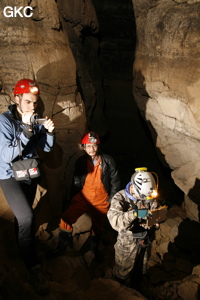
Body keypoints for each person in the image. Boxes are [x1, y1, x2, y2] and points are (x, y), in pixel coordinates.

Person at [0, 79, 55, 295]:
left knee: (24, 216)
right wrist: (26, 131)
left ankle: (21, 247)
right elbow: (5, 156)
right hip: (9, 176)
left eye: (35, 102)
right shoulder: (4, 121)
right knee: (27, 218)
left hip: (29, 174)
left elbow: (47, 148)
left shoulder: (35, 119)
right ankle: (32, 266)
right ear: (17, 99)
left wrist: (49, 131)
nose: (33, 107)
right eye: (29, 102)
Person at [51, 131, 121, 258]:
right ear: (83, 147)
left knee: (98, 226)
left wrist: (112, 199)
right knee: (66, 218)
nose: (91, 149)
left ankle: (94, 251)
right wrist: (72, 198)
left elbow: (115, 181)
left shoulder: (108, 161)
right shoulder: (81, 161)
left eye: (94, 145)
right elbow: (76, 181)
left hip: (101, 198)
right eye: (88, 146)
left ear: (98, 146)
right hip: (84, 197)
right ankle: (61, 250)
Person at [107, 167, 162, 287]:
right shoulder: (120, 198)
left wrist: (156, 220)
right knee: (123, 270)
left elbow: (155, 208)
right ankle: (117, 290)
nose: (143, 200)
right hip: (127, 242)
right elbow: (115, 222)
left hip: (144, 239)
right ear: (132, 187)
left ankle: (136, 290)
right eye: (140, 197)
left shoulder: (148, 195)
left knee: (141, 267)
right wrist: (134, 214)